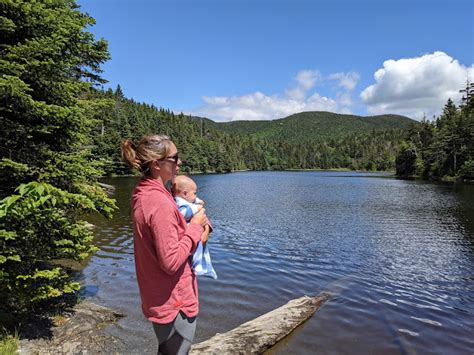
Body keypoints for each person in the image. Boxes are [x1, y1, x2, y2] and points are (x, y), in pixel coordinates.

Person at [121, 134, 209, 355]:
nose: (179, 162)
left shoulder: (148, 192)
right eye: (174, 157)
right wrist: (196, 226)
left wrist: (192, 221)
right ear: (156, 164)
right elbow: (170, 262)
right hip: (174, 301)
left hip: (160, 293)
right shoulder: (159, 202)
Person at [172, 175, 217, 279]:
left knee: (201, 248)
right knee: (197, 250)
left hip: (196, 230)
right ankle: (199, 266)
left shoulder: (183, 198)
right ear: (184, 193)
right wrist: (197, 208)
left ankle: (203, 267)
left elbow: (191, 199)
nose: (196, 195)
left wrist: (206, 228)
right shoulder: (180, 203)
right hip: (189, 231)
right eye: (195, 193)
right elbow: (183, 213)